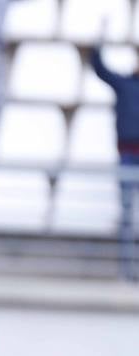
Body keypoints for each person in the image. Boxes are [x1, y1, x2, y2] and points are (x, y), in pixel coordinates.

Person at [89, 42, 139, 280]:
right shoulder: (124, 84)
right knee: (127, 213)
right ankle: (126, 270)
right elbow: (100, 69)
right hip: (128, 156)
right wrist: (97, 43)